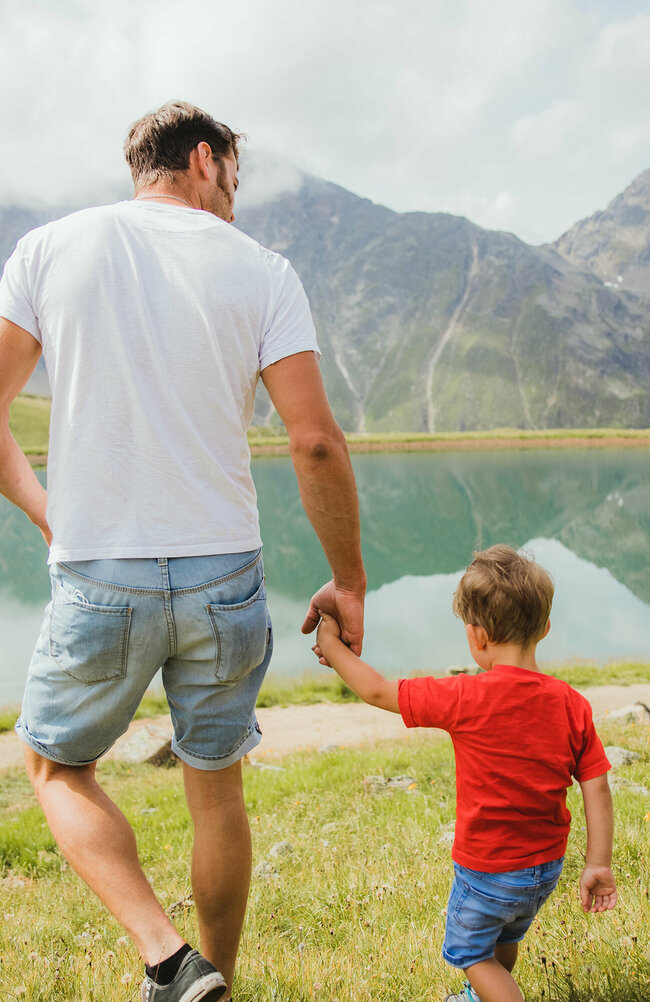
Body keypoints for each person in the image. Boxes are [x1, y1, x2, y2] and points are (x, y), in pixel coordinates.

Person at [0, 101, 366, 1002]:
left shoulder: (50, 248)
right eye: (234, 183)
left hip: (100, 576)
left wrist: (48, 509)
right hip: (224, 576)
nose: (235, 204)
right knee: (217, 792)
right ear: (205, 159)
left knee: (54, 766)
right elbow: (314, 441)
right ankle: (213, 977)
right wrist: (351, 580)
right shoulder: (263, 271)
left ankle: (168, 959)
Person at [313, 544, 616, 1002]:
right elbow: (596, 785)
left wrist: (332, 644)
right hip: (545, 867)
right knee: (503, 938)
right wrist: (598, 863)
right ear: (545, 629)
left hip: (488, 869)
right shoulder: (572, 704)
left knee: (471, 952)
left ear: (477, 638)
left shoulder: (465, 697)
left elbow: (376, 689)